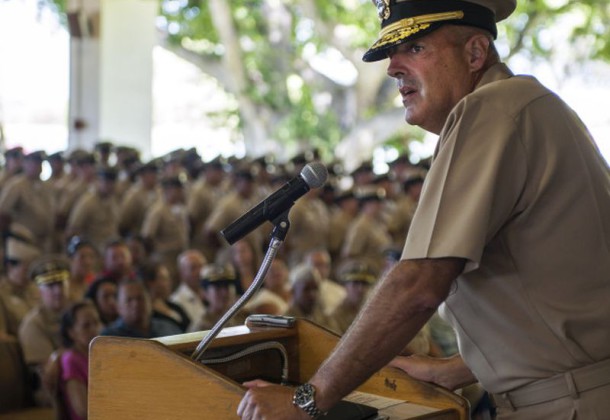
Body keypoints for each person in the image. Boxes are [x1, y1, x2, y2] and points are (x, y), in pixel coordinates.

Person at [237, 1, 610, 419]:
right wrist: (460, 368)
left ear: (474, 53)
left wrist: (306, 400)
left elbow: (419, 284)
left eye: (414, 48)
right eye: (392, 55)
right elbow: (563, 299)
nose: (393, 67)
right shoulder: (530, 106)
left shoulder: (491, 109)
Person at [18, 255, 70, 406]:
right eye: (50, 286)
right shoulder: (33, 324)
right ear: (39, 290)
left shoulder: (76, 313)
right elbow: (49, 372)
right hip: (53, 391)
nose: (57, 291)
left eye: (61, 283)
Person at [57, 300, 101, 420]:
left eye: (96, 323)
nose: (94, 329)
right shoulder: (71, 359)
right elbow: (83, 410)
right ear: (72, 332)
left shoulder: (99, 353)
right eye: (86, 326)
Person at [100, 279, 182, 338]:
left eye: (140, 298)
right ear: (118, 307)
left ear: (150, 300)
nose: (136, 304)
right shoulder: (109, 338)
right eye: (129, 300)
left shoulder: (169, 328)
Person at [189, 263, 247, 332]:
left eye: (227, 286)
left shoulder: (244, 317)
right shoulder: (200, 327)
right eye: (218, 287)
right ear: (204, 292)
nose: (225, 293)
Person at [139, 261, 190, 333]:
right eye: (164, 278)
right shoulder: (148, 314)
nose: (169, 282)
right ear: (151, 283)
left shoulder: (174, 306)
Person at [169, 249, 207, 330]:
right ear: (182, 273)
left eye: (202, 266)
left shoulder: (211, 293)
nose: (200, 272)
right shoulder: (176, 301)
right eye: (193, 268)